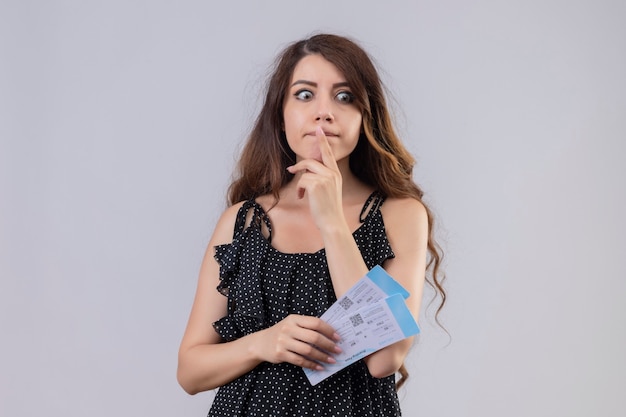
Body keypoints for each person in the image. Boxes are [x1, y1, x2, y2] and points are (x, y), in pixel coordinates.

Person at [177, 33, 445, 416]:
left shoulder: (399, 214)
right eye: (304, 95)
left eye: (344, 96)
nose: (324, 112)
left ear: (365, 115)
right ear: (280, 113)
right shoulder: (243, 220)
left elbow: (385, 357)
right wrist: (263, 343)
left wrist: (332, 221)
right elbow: (190, 371)